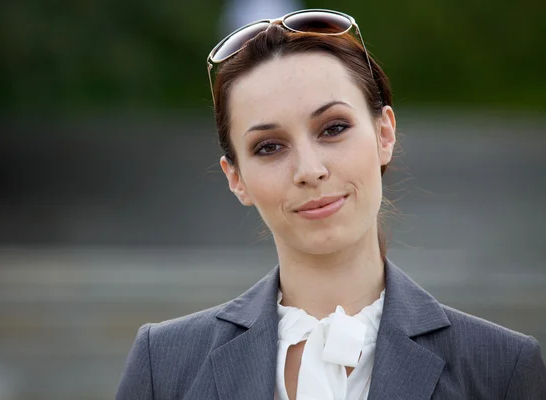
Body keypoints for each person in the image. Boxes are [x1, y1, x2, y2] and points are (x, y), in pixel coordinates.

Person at [116, 9, 546, 399]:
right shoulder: (165, 365)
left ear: (384, 134)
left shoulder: (500, 369)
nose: (309, 169)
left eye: (333, 128)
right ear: (236, 178)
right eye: (269, 147)